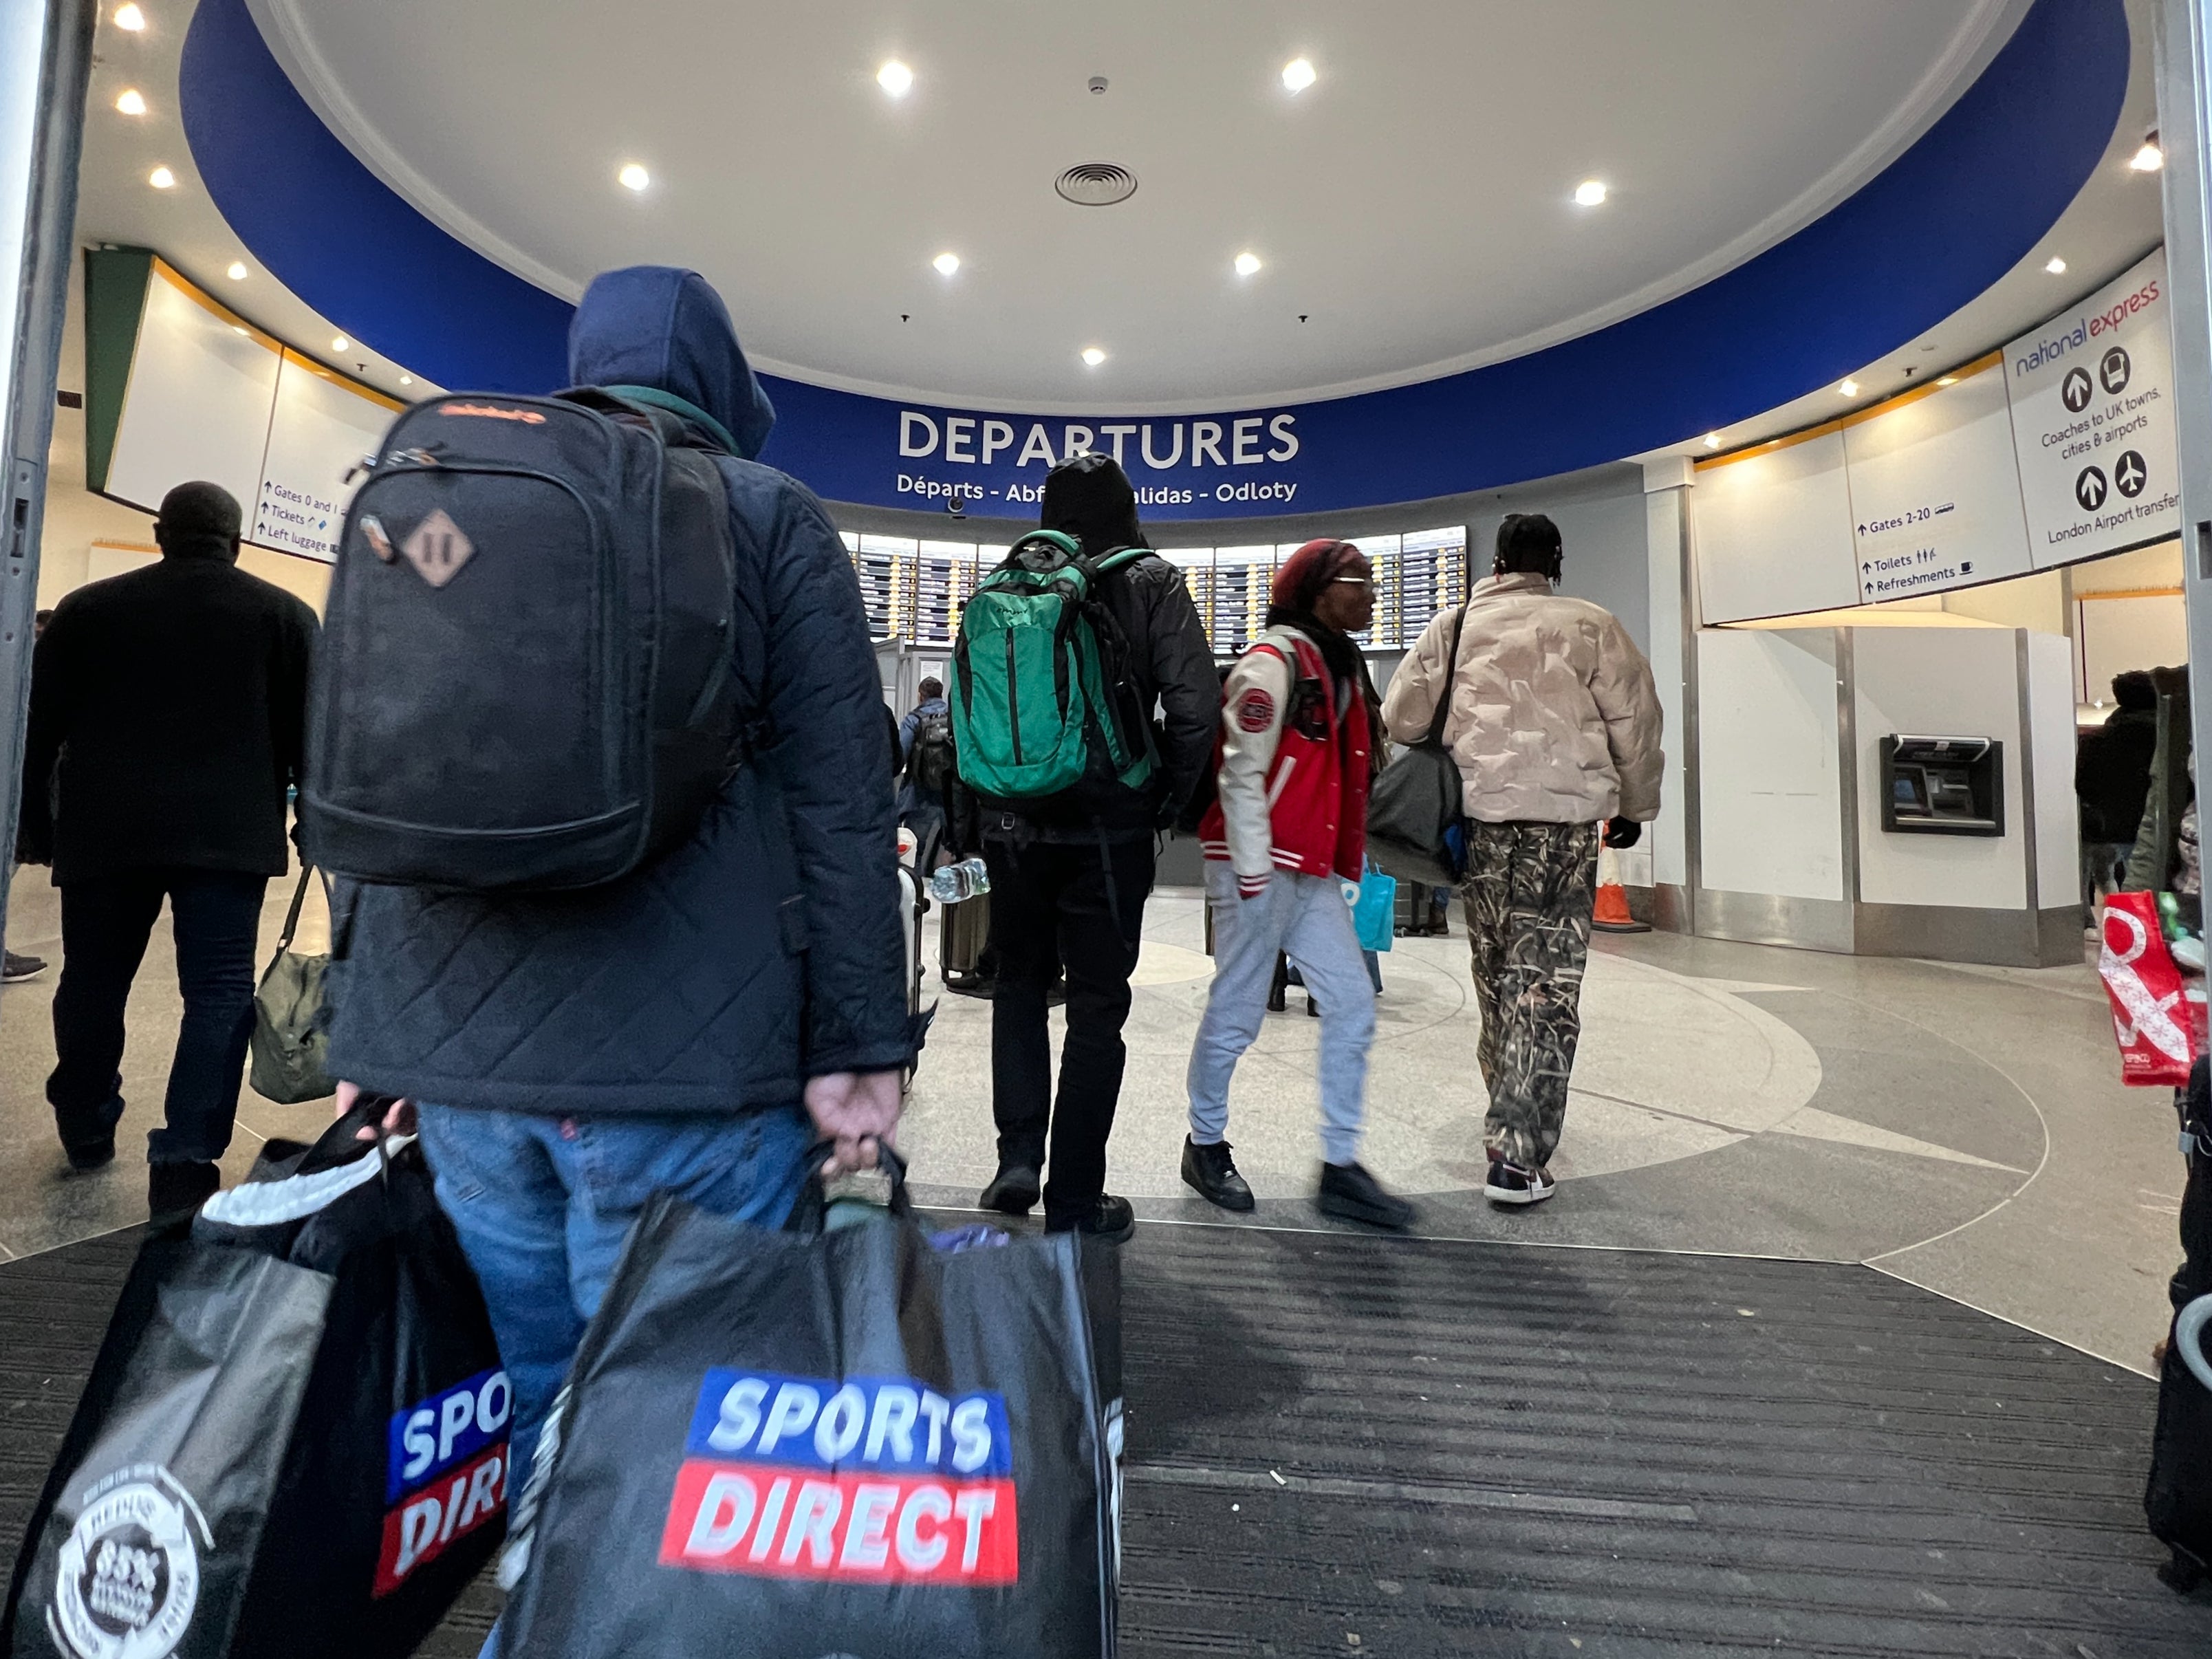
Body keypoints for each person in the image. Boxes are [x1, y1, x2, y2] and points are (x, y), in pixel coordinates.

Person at [325, 268, 917, 1562]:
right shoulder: (767, 515)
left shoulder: (438, 497)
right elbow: (841, 808)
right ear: (721, 381)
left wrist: (372, 1037)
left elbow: (369, 776)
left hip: (466, 1084)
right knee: (677, 1456)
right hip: (692, 1085)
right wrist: (862, 1050)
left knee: (542, 1405)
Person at [17, 481, 316, 1217]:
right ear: (237, 539)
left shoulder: (89, 610)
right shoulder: (283, 614)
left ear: (160, 533)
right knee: (216, 992)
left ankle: (85, 1121)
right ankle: (186, 1158)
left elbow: (37, 728)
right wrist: (316, 823)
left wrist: (32, 828)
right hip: (229, 836)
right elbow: (315, 738)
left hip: (107, 831)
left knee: (92, 980)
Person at [1382, 512, 1661, 1208]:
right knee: (1547, 983)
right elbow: (1636, 721)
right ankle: (1518, 1153)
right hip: (1564, 830)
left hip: (1482, 828)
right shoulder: (1592, 624)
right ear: (1554, 561)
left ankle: (1504, 1112)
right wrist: (1635, 805)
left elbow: (1401, 719)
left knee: (1498, 973)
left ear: (1499, 560)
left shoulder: (1455, 625)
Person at [974, 451, 1215, 1239]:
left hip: (1012, 822)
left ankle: (1017, 1160)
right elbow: (1193, 705)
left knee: (1017, 987)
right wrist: (1170, 798)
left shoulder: (1014, 580)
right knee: (1096, 1009)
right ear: (1128, 510)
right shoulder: (1152, 580)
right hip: (1107, 829)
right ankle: (1075, 1198)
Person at [1184, 539, 1415, 1229]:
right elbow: (1240, 769)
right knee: (1238, 1009)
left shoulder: (1334, 665)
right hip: (1256, 865)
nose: (1372, 593)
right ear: (1318, 592)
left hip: (1306, 870)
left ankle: (1340, 1165)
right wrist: (1253, 871)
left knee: (1350, 1001)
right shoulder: (1274, 662)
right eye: (1359, 581)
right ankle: (1204, 1144)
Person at [2077, 669, 2159, 907]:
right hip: (2153, 825)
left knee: (2108, 879)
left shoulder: (2097, 740)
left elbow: (2083, 785)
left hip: (2107, 826)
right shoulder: (2167, 737)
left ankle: (2118, 933)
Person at [898, 675, 952, 856]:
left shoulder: (913, 720)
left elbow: (899, 755)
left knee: (916, 852)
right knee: (948, 851)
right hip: (950, 796)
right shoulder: (954, 718)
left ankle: (918, 882)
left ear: (921, 695)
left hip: (919, 795)